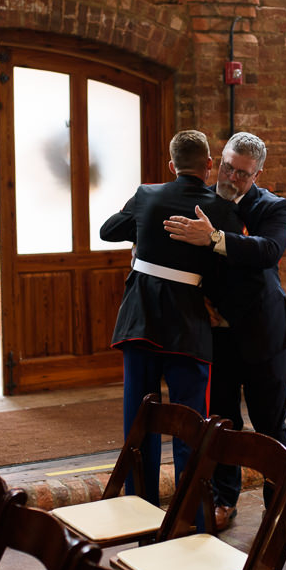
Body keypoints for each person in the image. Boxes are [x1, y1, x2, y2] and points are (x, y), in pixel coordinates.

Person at [163, 131, 286, 531]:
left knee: (270, 426)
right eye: (226, 165)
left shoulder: (273, 207)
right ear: (218, 160)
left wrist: (215, 239)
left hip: (265, 335)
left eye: (242, 173)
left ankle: (279, 509)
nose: (230, 176)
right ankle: (224, 501)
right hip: (218, 336)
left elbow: (267, 251)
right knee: (222, 424)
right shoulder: (199, 200)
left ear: (257, 174)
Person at [100, 130, 243, 506]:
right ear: (209, 164)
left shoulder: (147, 194)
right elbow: (225, 275)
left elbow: (107, 230)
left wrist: (143, 229)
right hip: (187, 327)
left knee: (140, 420)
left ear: (171, 165)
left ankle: (138, 509)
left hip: (140, 320)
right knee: (190, 426)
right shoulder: (222, 210)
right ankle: (191, 514)